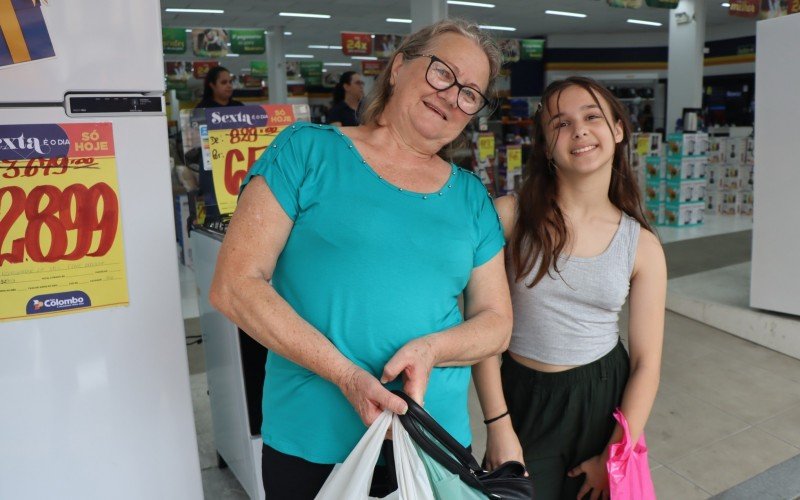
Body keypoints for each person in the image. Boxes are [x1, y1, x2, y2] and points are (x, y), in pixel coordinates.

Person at [209, 19, 511, 499]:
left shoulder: (471, 197)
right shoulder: (307, 151)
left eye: (471, 92)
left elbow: (496, 322)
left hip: (433, 441)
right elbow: (235, 285)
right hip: (314, 440)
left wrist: (432, 350)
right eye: (442, 73)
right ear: (398, 68)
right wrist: (347, 376)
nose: (452, 96)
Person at [472, 76, 666, 500]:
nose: (578, 129)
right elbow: (482, 331)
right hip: (523, 395)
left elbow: (647, 364)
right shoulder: (509, 217)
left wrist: (614, 453)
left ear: (617, 130)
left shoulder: (642, 246)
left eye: (592, 116)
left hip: (602, 399)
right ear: (545, 145)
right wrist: (498, 424)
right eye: (560, 123)